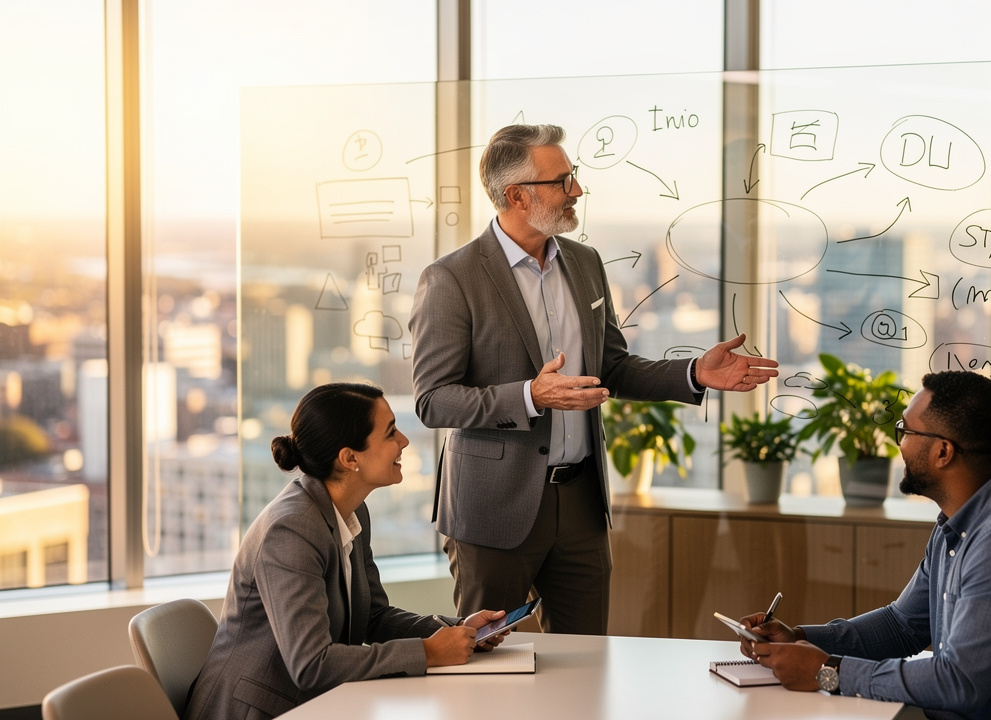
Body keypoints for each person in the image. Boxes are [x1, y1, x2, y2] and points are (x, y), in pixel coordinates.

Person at [409, 123, 779, 635]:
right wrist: (529, 396)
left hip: (581, 505)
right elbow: (433, 400)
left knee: (586, 667)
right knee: (486, 668)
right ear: (516, 195)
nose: (576, 191)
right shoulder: (452, 278)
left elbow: (612, 367)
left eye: (573, 177)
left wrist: (694, 372)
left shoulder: (583, 263)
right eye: (561, 181)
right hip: (494, 510)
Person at [738, 371, 991, 720]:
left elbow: (959, 683)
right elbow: (902, 626)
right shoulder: (961, 522)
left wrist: (828, 671)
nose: (898, 444)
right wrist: (801, 638)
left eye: (905, 431)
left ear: (943, 452)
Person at [185, 383, 509, 720]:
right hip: (258, 710)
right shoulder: (291, 529)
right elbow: (311, 665)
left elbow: (373, 616)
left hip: (314, 704)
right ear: (349, 458)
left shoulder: (351, 511)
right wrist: (427, 653)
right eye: (390, 433)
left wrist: (459, 631)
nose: (404, 441)